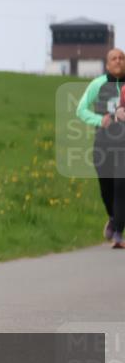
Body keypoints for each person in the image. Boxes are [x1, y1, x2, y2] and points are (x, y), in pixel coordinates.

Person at [76, 47, 125, 249]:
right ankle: (113, 219)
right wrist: (100, 119)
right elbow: (80, 110)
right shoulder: (98, 84)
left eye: (122, 58)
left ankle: (118, 235)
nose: (118, 61)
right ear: (107, 64)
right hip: (103, 142)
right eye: (114, 58)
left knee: (121, 187)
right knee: (106, 188)